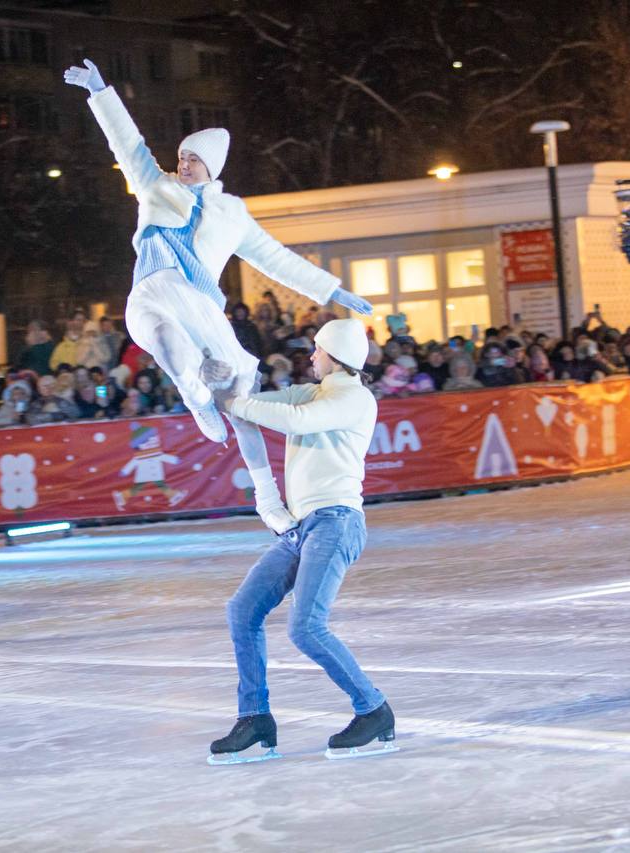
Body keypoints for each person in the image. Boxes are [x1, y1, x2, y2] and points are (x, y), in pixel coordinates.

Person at [65, 58, 372, 534]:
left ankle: (267, 499)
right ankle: (194, 397)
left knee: (238, 395)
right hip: (152, 289)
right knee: (165, 342)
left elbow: (275, 258)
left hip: (200, 303)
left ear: (211, 166)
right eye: (182, 156)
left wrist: (333, 290)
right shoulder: (155, 186)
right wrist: (99, 91)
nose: (183, 163)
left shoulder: (232, 214)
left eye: (192, 159)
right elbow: (127, 144)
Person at [204, 319, 394, 762]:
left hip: (336, 521)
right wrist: (214, 387)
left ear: (336, 354)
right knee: (242, 611)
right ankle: (255, 718)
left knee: (306, 626)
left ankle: (373, 709)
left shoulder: (354, 398)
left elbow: (293, 419)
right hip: (301, 526)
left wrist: (236, 402)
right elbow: (249, 407)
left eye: (317, 350)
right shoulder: (316, 392)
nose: (311, 356)